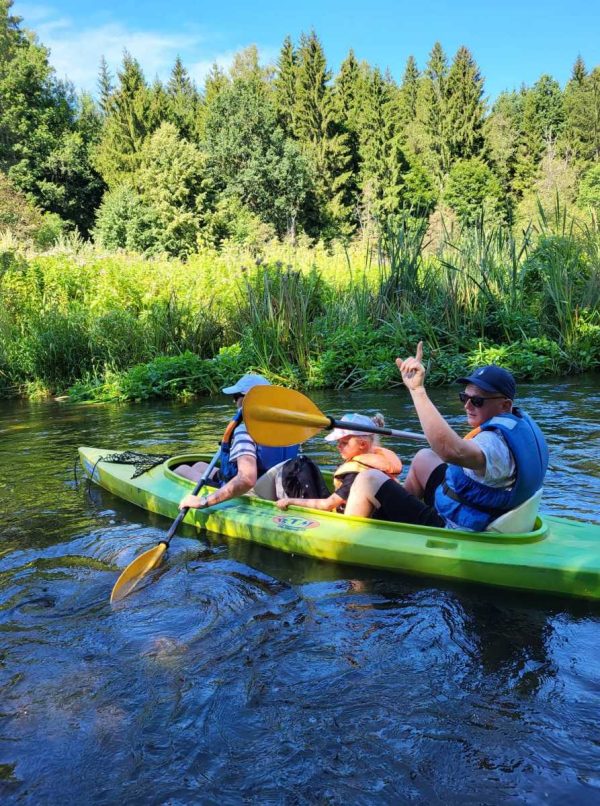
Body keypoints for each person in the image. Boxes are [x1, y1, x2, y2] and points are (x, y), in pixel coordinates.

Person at [344, 342, 549, 530]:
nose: (467, 405)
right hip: (481, 506)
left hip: (456, 525)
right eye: (464, 397)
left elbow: (451, 451)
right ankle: (392, 520)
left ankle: (351, 538)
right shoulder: (517, 425)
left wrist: (417, 390)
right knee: (424, 457)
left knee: (367, 479)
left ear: (505, 405)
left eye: (477, 401)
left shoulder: (494, 444)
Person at [178, 373, 299, 511]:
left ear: (249, 399)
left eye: (236, 397)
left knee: (182, 469)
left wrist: (204, 501)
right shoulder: (291, 428)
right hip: (278, 483)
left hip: (255, 492)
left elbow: (246, 479)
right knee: (199, 465)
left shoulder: (245, 430)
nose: (234, 402)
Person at [276, 412, 402, 514]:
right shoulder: (376, 458)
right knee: (302, 463)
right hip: (364, 508)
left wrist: (290, 501)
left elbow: (328, 505)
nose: (338, 446)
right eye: (338, 442)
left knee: (293, 469)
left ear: (363, 444)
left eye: (344, 443)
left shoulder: (355, 474)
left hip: (342, 515)